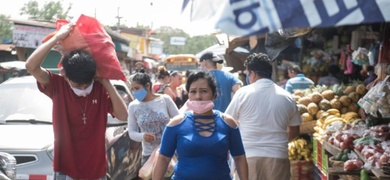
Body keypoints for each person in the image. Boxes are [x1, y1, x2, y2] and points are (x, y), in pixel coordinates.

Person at [25, 24, 128, 179]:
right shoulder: (57, 85)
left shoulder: (99, 89)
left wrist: (106, 82)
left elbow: (123, 115)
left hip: (97, 170)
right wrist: (57, 37)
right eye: (77, 84)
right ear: (65, 75)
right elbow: (31, 66)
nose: (82, 87)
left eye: (86, 83)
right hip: (66, 170)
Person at [153, 71, 248, 180]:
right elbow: (163, 158)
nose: (198, 96)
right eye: (193, 91)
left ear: (214, 94)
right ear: (188, 94)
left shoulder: (228, 122)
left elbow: (239, 157)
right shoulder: (176, 124)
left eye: (204, 91)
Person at [225, 53, 301, 180]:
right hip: (278, 158)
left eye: (247, 73)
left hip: (248, 158)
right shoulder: (288, 97)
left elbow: (227, 122)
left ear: (253, 74)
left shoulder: (242, 93)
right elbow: (294, 130)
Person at [127, 72, 180, 165]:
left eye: (137, 88)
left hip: (170, 153)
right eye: (132, 89)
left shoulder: (164, 100)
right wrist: (142, 136)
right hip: (149, 156)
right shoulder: (133, 106)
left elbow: (179, 121)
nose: (134, 92)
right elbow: (131, 132)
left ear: (147, 86)